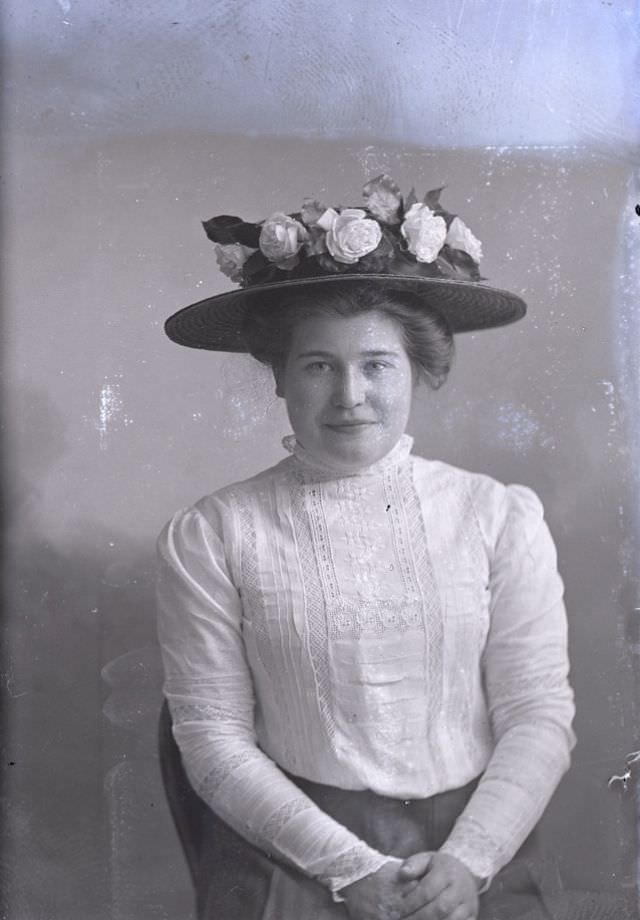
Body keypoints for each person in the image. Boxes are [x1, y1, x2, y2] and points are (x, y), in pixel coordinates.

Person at [156, 177, 621, 920]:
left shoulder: (496, 516)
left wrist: (470, 860)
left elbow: (537, 710)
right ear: (278, 376)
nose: (349, 396)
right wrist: (353, 871)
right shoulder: (214, 533)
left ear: (417, 372)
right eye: (317, 366)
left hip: (477, 852)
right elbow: (211, 738)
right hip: (295, 858)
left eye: (376, 364)